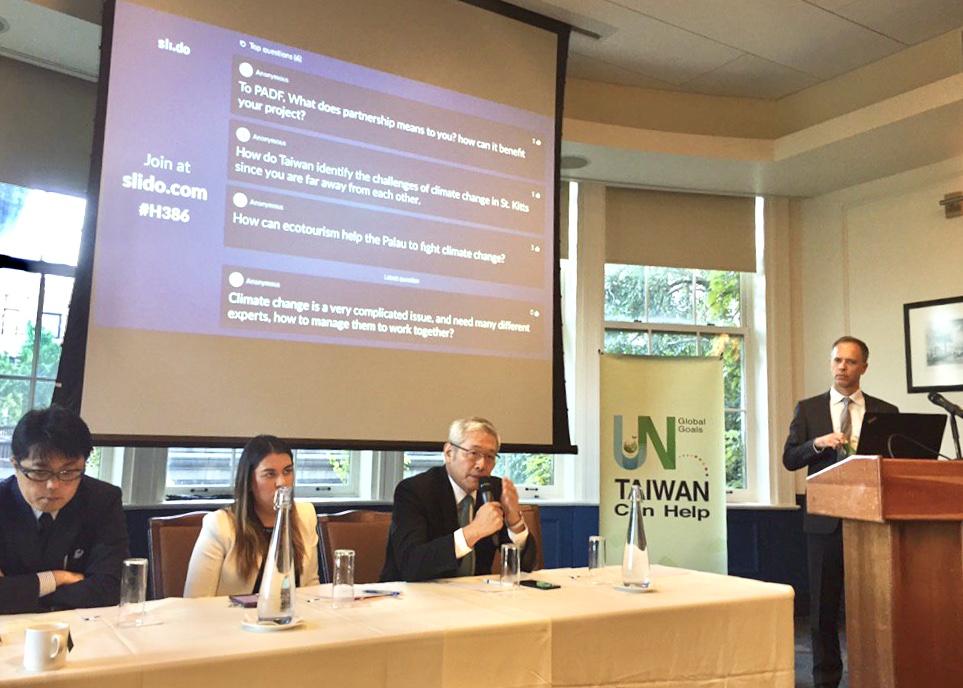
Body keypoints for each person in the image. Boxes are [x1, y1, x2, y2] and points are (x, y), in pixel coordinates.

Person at [783, 336, 898, 688]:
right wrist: (817, 443)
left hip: (871, 521)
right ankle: (826, 679)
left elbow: (895, 463)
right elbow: (790, 459)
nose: (842, 368)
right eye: (837, 361)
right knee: (823, 611)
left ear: (864, 367)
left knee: (874, 609)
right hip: (824, 523)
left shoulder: (886, 412)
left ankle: (875, 675)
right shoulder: (809, 409)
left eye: (850, 362)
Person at [0, 405, 129, 614]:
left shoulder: (102, 500)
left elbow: (110, 588)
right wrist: (55, 579)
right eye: (40, 471)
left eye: (68, 471)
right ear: (15, 465)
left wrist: (16, 594)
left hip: (81, 630)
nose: (54, 485)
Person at [380, 417, 536, 582]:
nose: (482, 465)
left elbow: (526, 567)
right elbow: (411, 565)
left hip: (474, 596)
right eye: (473, 453)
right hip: (413, 597)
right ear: (449, 453)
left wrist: (515, 523)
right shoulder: (415, 490)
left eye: (490, 456)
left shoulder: (494, 490)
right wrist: (473, 531)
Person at [184, 435, 319, 597]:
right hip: (231, 620)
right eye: (270, 474)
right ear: (249, 481)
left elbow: (311, 586)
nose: (282, 482)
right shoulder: (219, 524)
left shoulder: (306, 515)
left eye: (288, 471)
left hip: (292, 618)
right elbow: (196, 601)